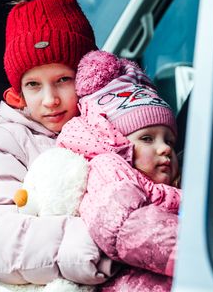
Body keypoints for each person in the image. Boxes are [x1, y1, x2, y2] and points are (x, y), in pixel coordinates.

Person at [0, 0, 115, 286]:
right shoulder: (2, 143)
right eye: (34, 85)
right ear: (19, 92)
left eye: (63, 80)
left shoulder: (113, 124)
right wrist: (95, 244)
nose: (50, 99)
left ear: (87, 74)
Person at [57, 50, 181, 291]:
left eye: (169, 141)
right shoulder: (108, 169)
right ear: (118, 142)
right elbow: (125, 226)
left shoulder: (175, 186)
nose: (164, 149)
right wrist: (203, 249)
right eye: (147, 139)